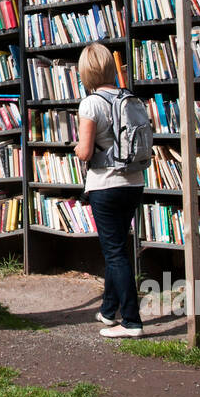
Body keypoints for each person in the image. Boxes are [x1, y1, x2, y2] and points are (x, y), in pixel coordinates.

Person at [73, 44, 144, 338]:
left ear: (85, 72)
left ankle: (131, 321)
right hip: (135, 182)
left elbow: (86, 152)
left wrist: (77, 148)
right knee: (119, 250)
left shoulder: (91, 103)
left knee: (114, 253)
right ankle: (108, 310)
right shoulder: (129, 97)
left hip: (106, 185)